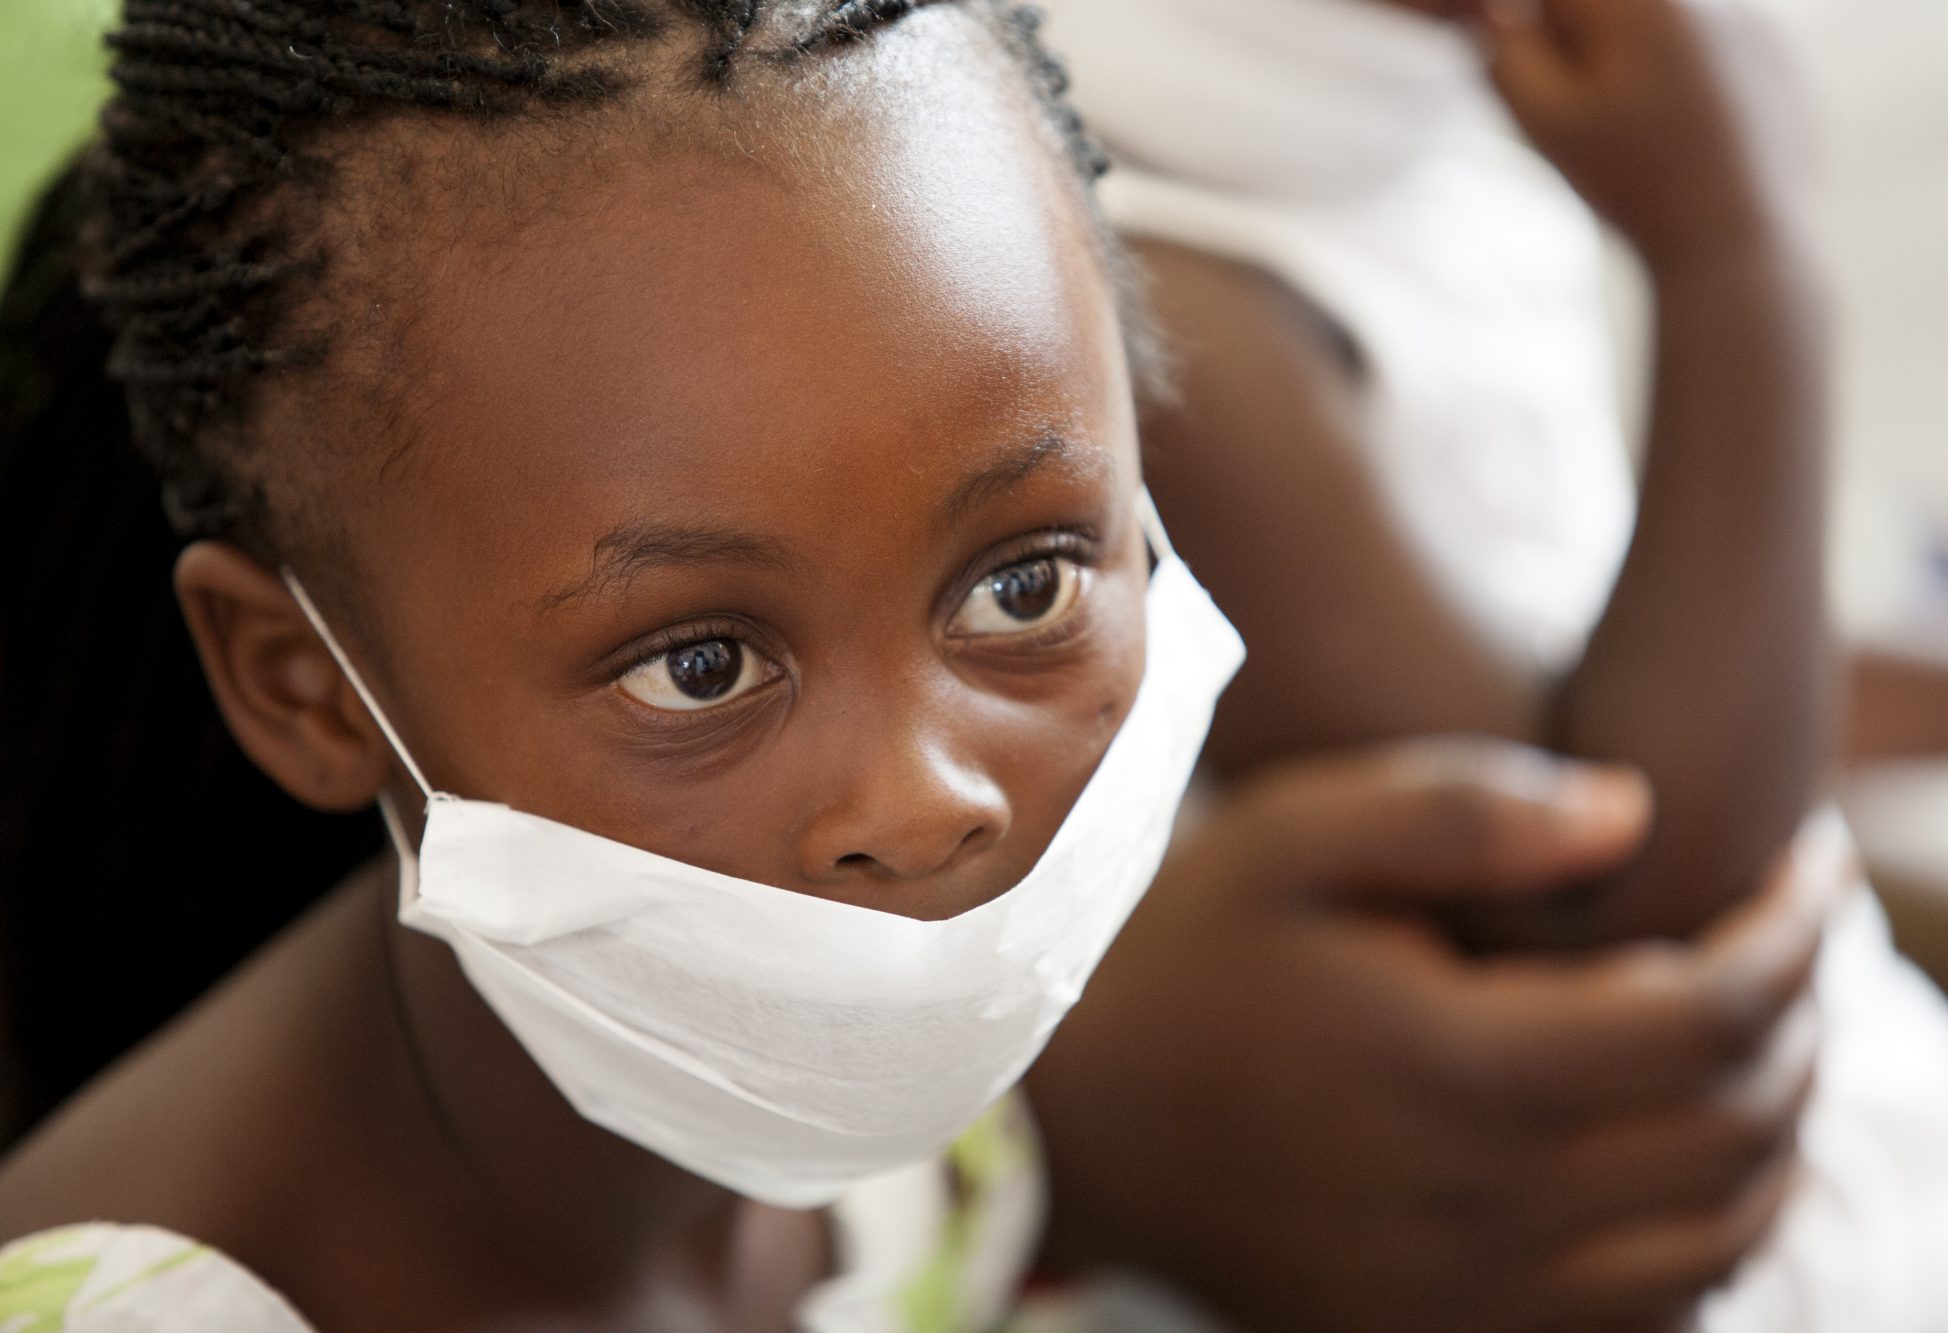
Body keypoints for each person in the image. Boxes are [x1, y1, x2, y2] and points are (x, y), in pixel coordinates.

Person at [0, 2, 1847, 1332]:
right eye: (701, 662)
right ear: (306, 685)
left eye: (1027, 580)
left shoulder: (886, 1141)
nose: (930, 800)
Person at [1033, 0, 1948, 1328]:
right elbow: (1601, 879)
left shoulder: (1418, 110)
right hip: (1673, 1226)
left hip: (1823, 1123)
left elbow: (1610, 625)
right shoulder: (1140, 271)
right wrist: (1740, 254)